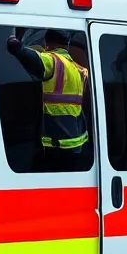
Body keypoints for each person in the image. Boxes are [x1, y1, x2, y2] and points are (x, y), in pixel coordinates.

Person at [6, 29, 89, 158]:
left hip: (57, 143)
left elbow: (35, 59)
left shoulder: (53, 60)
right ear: (66, 46)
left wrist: (17, 47)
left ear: (48, 44)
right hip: (77, 141)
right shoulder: (78, 69)